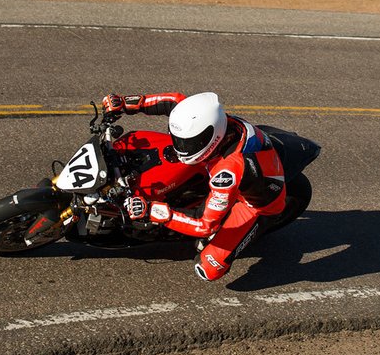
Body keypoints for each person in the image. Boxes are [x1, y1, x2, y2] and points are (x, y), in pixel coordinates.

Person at [101, 91, 286, 281]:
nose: (180, 147)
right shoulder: (206, 120)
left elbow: (205, 225)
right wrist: (126, 103)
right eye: (179, 140)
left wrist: (153, 211)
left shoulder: (227, 174)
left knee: (209, 268)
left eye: (186, 143)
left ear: (209, 137)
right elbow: (174, 101)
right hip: (233, 160)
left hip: (255, 205)